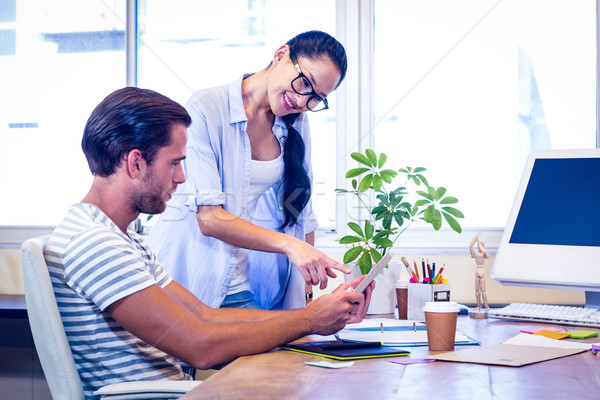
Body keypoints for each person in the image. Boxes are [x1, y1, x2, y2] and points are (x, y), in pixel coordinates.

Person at [44, 87, 374, 399]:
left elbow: (206, 316)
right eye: (174, 163)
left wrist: (320, 317)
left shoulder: (123, 239)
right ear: (135, 163)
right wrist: (308, 321)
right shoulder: (97, 244)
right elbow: (200, 347)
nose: (182, 178)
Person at [147, 30, 350, 310]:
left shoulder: (295, 121)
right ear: (281, 56)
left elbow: (302, 214)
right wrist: (290, 246)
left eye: (317, 98)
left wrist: (308, 299)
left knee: (287, 352)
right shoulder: (207, 107)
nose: (304, 101)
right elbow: (209, 218)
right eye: (305, 82)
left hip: (240, 283)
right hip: (189, 281)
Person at [469, 231, 490, 311]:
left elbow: (485, 252)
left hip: (482, 272)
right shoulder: (476, 254)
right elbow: (470, 246)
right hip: (477, 272)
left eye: (480, 246)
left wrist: (478, 242)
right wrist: (475, 238)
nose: (478, 247)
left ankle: (486, 306)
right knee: (477, 291)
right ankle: (479, 305)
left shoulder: (484, 254)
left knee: (483, 291)